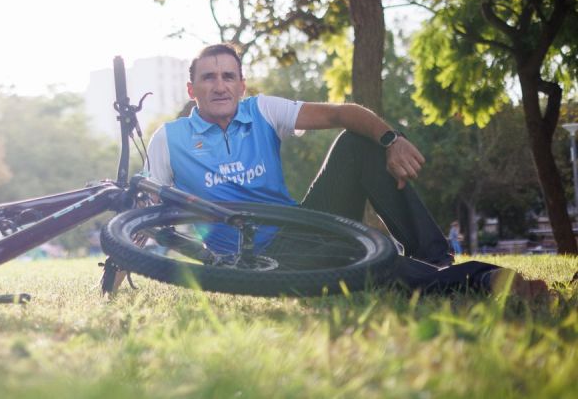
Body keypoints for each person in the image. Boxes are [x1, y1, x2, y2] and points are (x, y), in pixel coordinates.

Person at [145, 43, 548, 299]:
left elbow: (343, 113)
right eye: (208, 77)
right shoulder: (169, 138)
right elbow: (143, 216)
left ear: (242, 85)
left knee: (359, 142)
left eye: (228, 76)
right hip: (255, 256)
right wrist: (115, 271)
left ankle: (435, 257)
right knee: (365, 257)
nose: (220, 86)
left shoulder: (261, 110)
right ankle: (480, 281)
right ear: (191, 88)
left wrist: (393, 140)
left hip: (297, 222)